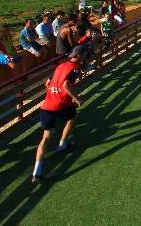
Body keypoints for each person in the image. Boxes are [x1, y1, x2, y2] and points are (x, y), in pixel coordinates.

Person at [32, 46, 85, 183]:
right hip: (62, 105)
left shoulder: (60, 66)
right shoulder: (75, 68)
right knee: (73, 117)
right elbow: (66, 85)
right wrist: (77, 98)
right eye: (84, 55)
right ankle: (62, 144)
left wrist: (55, 92)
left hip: (46, 106)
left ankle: (36, 173)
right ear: (78, 56)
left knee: (45, 138)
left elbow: (47, 83)